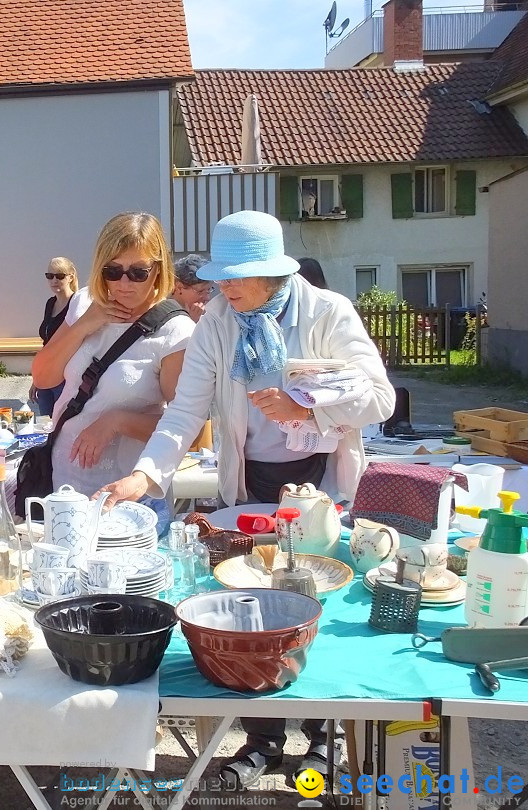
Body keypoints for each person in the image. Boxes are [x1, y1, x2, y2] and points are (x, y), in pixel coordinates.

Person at [97, 210, 396, 789]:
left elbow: (380, 398)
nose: (222, 287)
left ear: (273, 274)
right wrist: (145, 476)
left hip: (321, 484)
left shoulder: (329, 312)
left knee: (316, 608)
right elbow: (185, 410)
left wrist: (310, 409)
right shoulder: (217, 319)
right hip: (251, 485)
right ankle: (262, 738)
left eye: (234, 277)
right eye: (219, 277)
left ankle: (321, 741)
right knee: (253, 612)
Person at [30, 212, 193, 518]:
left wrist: (116, 421)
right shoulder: (85, 303)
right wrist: (85, 324)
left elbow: (188, 427)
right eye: (112, 271)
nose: (124, 283)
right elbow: (43, 376)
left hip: (129, 494)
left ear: (158, 270)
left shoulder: (175, 331)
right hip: (66, 480)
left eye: (138, 272)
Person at [30, 257, 78, 418]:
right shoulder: (50, 303)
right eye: (49, 276)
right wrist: (36, 378)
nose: (54, 280)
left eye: (60, 276)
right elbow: (47, 343)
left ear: (71, 277)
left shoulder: (77, 304)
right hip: (47, 374)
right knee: (45, 427)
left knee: (62, 426)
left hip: (65, 377)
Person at [171, 253, 215, 322]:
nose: (207, 298)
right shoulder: (164, 315)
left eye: (209, 290)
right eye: (200, 291)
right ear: (179, 288)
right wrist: (192, 321)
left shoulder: (211, 314)